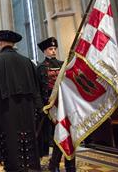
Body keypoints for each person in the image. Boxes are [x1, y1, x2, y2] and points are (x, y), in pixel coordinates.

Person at [0, 30, 42, 171]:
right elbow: (36, 88)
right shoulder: (28, 62)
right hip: (28, 110)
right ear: (13, 44)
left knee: (10, 145)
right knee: (29, 143)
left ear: (0, 43)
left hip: (5, 111)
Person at [37, 37, 76, 172]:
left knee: (69, 136)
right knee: (58, 136)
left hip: (65, 105)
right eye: (50, 49)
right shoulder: (40, 68)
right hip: (51, 107)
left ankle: (68, 165)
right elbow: (38, 89)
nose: (53, 51)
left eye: (54, 49)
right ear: (45, 51)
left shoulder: (63, 65)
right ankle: (54, 164)